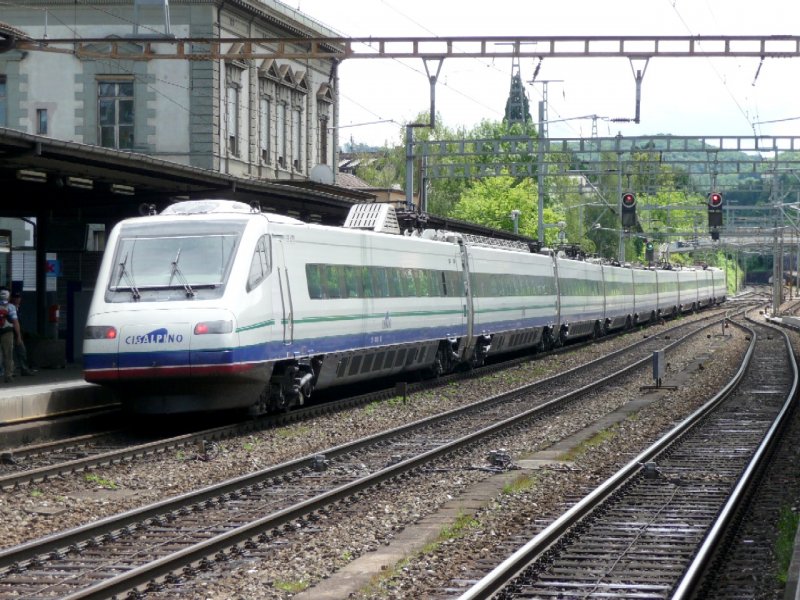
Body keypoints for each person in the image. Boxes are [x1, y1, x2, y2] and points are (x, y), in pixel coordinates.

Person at [10, 292, 35, 376]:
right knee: (11, 353)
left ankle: (23, 369)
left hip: (17, 333)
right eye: (15, 297)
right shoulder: (11, 308)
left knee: (22, 352)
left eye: (18, 298)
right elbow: (15, 322)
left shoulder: (18, 309)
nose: (17, 299)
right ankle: (11, 371)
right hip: (11, 333)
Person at [0, 290, 22, 383]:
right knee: (8, 354)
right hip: (7, 333)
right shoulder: (11, 307)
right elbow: (15, 322)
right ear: (8, 297)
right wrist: (18, 336)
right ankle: (8, 375)